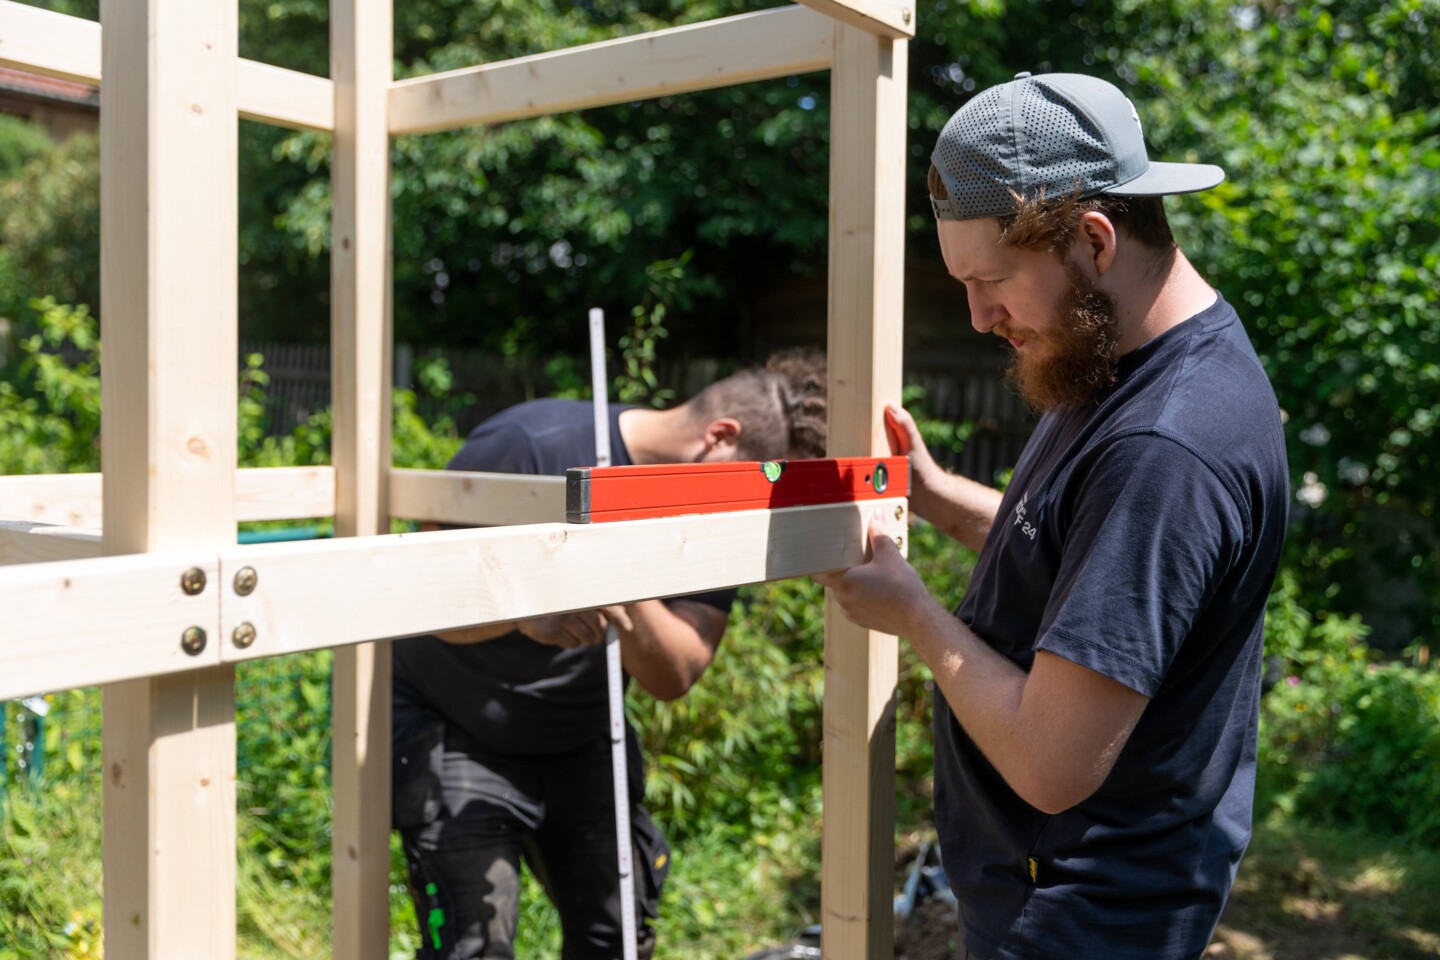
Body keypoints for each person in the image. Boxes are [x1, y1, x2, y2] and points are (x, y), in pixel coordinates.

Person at [817, 72, 1289, 959]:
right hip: (1057, 897)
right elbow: (1084, 552)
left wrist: (914, 614)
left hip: (1084, 916)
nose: (979, 314)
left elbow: (1050, 762)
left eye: (991, 279)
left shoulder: (1166, 444)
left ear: (1095, 240)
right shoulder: (1113, 355)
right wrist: (938, 494)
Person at [392, 350, 827, 960]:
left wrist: (618, 566)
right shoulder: (528, 446)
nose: (759, 510)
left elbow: (674, 672)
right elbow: (413, 602)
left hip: (582, 735)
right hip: (458, 726)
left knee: (618, 937)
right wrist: (520, 607)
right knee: (473, 945)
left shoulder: (721, 512)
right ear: (720, 439)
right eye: (762, 486)